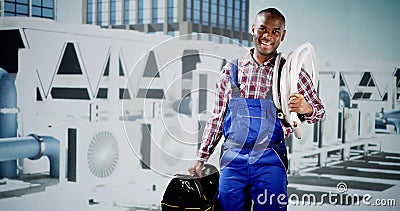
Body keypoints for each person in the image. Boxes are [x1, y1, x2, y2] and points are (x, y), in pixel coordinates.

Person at [188, 8, 325, 211]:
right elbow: (216, 119)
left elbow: (319, 111)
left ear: (283, 35)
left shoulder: (292, 73)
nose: (268, 36)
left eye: (275, 31)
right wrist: (201, 158)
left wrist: (306, 108)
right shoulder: (231, 71)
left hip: (269, 159)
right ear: (253, 29)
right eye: (262, 28)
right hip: (233, 159)